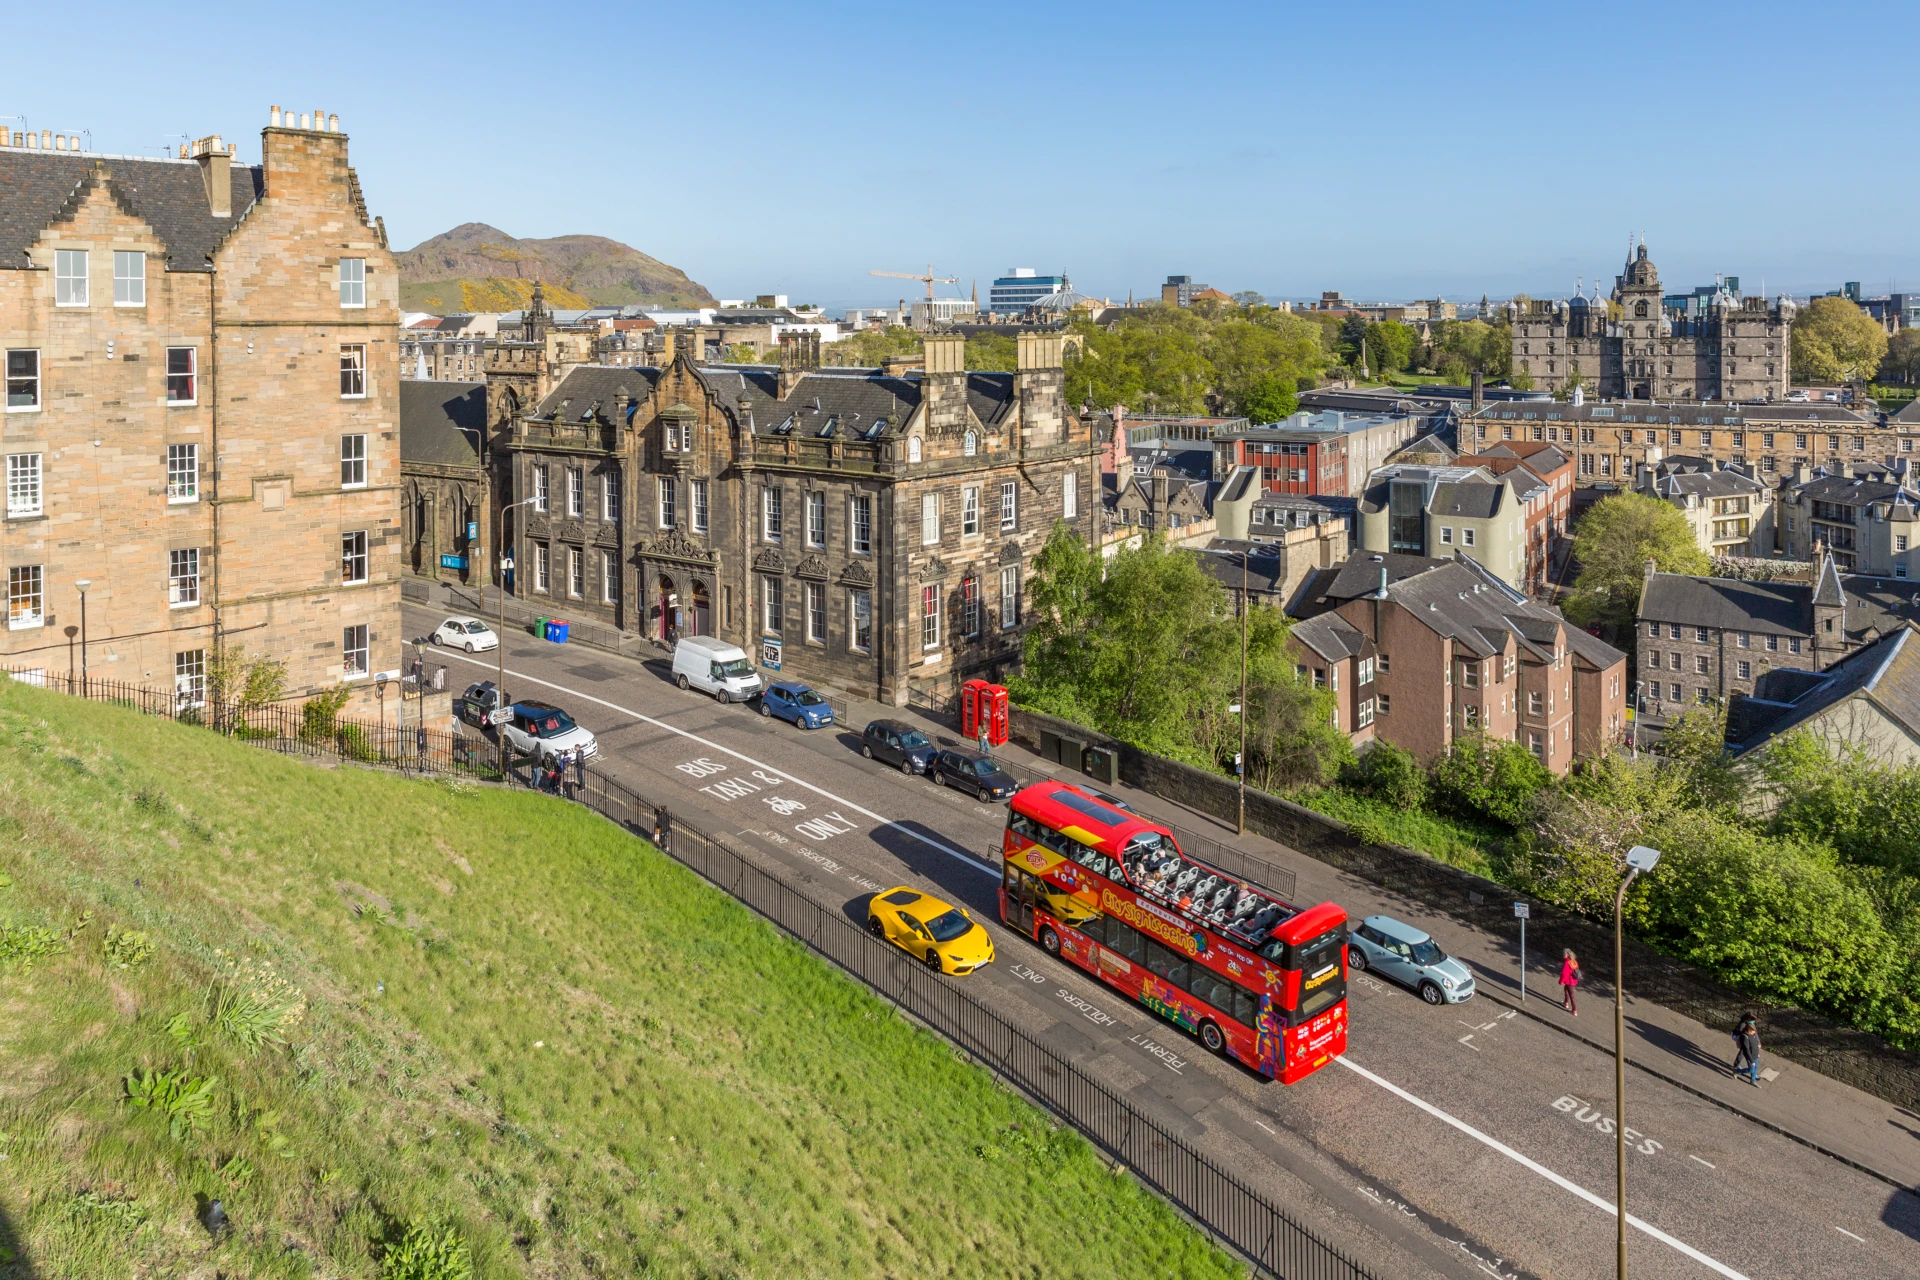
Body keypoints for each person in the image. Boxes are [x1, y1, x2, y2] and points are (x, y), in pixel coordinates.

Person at [1733, 1012, 1762, 1086]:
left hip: (1754, 1052)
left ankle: (1753, 1080)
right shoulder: (1744, 1030)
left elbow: (1755, 1037)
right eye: (1753, 1020)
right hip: (1749, 1052)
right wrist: (1751, 1060)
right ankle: (1737, 1069)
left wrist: (1758, 1046)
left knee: (1755, 1067)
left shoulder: (1752, 1030)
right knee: (1750, 1067)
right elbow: (1746, 1049)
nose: (1754, 1022)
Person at [1559, 949, 1581, 1015]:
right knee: (1566, 989)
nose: (1563, 955)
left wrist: (1561, 981)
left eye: (1564, 954)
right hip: (1573, 980)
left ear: (1567, 955)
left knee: (1572, 995)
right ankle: (1566, 1002)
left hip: (1569, 981)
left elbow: (1564, 974)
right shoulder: (1573, 961)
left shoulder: (1566, 963)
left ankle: (1574, 1010)